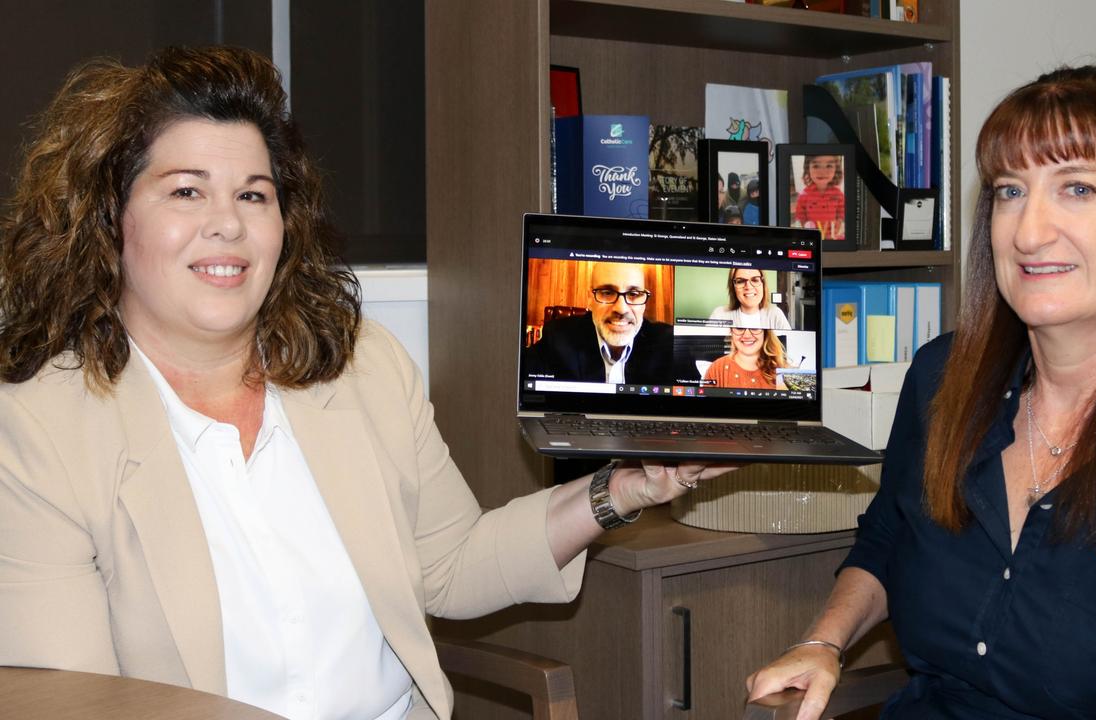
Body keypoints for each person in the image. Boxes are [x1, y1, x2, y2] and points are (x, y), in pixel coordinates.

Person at [0, 46, 731, 720]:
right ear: (109, 219)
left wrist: (624, 487)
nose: (227, 224)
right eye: (187, 192)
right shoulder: (38, 429)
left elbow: (452, 565)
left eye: (255, 195)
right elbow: (78, 702)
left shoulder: (361, 364)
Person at [746, 65, 1096, 719]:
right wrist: (822, 642)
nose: (1029, 231)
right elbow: (889, 538)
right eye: (1009, 191)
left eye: (1077, 187)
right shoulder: (944, 380)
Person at [523, 261, 674, 384]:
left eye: (633, 294)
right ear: (590, 298)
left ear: (644, 301)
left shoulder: (669, 344)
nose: (621, 309)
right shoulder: (557, 339)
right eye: (607, 293)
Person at [701, 327, 789, 390]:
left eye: (754, 327)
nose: (747, 335)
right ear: (731, 331)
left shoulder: (784, 370)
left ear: (765, 332)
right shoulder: (716, 369)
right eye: (740, 328)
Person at [711, 267, 791, 329]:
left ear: (763, 284)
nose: (748, 287)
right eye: (740, 281)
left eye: (755, 280)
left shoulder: (775, 314)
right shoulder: (719, 315)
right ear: (733, 287)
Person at [791, 154, 845, 241]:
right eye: (816, 166)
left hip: (831, 235)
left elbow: (841, 212)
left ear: (836, 169)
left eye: (829, 166)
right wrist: (806, 226)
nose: (822, 172)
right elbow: (800, 215)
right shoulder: (804, 195)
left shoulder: (838, 194)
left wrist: (838, 223)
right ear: (808, 169)